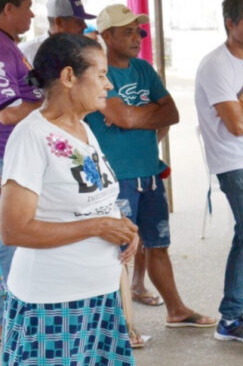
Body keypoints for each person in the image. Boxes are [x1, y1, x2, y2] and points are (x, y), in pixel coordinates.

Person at [0, 33, 138, 363]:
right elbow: (14, 230)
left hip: (97, 297)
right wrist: (98, 226)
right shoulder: (32, 136)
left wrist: (121, 226)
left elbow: (88, 200)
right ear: (68, 77)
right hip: (53, 303)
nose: (109, 85)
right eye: (101, 74)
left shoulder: (82, 127)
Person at [86, 3, 215, 331]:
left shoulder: (143, 69)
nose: (137, 36)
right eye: (127, 31)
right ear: (107, 35)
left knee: (158, 245)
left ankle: (176, 310)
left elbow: (171, 113)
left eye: (138, 30)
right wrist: (138, 115)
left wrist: (133, 118)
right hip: (117, 178)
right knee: (119, 253)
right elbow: (122, 117)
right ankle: (121, 326)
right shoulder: (99, 72)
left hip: (149, 172)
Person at [195, 0, 243, 353]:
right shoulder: (216, 65)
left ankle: (230, 318)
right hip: (235, 164)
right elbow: (237, 126)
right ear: (230, 23)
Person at [0, 0, 42, 316]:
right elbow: (8, 113)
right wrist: (55, 104)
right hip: (6, 158)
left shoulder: (10, 46)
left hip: (15, 156)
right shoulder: (0, 48)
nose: (32, 14)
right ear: (8, 8)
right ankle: (14, 320)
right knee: (10, 243)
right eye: (27, 7)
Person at [20, 0, 95, 61]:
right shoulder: (27, 52)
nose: (85, 26)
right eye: (79, 22)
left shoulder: (81, 51)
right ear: (59, 22)